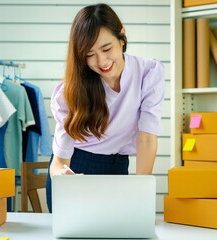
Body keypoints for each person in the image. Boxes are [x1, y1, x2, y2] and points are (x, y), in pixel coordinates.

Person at [46, 3, 165, 212]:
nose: (101, 61)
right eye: (89, 54)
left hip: (118, 166)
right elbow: (58, 163)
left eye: (106, 49)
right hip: (77, 167)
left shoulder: (148, 72)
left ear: (122, 36)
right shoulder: (70, 92)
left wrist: (140, 191)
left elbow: (147, 137)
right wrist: (63, 177)